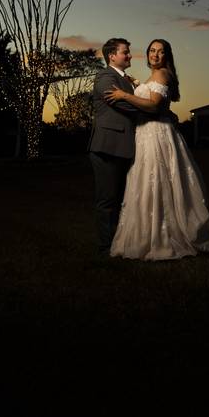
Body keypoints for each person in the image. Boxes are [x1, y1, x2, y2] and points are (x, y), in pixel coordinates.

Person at [103, 39, 209, 260]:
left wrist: (125, 95)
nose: (155, 55)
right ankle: (152, 230)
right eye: (152, 50)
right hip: (146, 134)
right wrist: (138, 85)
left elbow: (153, 106)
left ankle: (163, 234)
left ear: (166, 56)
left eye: (160, 52)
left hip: (156, 135)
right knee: (148, 182)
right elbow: (154, 99)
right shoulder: (155, 76)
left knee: (157, 180)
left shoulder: (162, 75)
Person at [88, 38, 153, 255]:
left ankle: (121, 241)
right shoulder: (106, 76)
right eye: (125, 52)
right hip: (108, 146)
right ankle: (105, 246)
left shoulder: (126, 80)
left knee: (124, 197)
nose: (129, 55)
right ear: (112, 56)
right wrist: (152, 109)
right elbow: (121, 102)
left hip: (125, 146)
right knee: (107, 199)